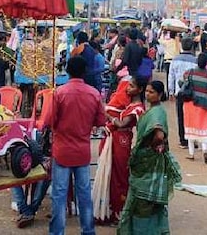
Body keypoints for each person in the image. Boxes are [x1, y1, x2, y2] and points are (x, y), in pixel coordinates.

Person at [49, 55, 105, 235]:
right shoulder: (94, 94)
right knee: (84, 195)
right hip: (82, 151)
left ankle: (57, 232)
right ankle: (88, 231)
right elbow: (100, 121)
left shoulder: (59, 93)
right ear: (85, 71)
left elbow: (51, 120)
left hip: (62, 150)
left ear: (67, 70)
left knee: (59, 195)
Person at [117, 80, 182, 235]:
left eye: (151, 92)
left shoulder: (157, 112)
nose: (147, 94)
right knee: (146, 203)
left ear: (159, 95)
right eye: (146, 91)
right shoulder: (151, 110)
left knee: (143, 204)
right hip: (147, 162)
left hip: (149, 163)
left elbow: (159, 135)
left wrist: (149, 148)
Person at [93, 76, 147, 225]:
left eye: (131, 86)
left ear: (139, 90)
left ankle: (118, 211)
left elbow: (122, 124)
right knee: (112, 175)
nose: (127, 88)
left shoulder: (137, 108)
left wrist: (108, 116)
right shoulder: (130, 106)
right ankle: (109, 210)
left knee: (120, 176)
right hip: (118, 140)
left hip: (123, 141)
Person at [182, 54, 207, 163]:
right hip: (204, 105)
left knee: (190, 127)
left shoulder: (189, 72)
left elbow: (183, 83)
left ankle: (191, 154)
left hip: (190, 104)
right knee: (203, 127)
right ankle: (205, 150)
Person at [167, 36, 196, 149]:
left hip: (180, 92)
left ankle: (183, 140)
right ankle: (192, 139)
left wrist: (171, 91)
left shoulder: (175, 59)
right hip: (192, 93)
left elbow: (171, 76)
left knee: (181, 115)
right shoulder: (196, 60)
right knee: (192, 116)